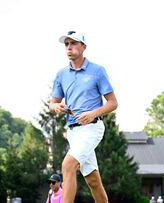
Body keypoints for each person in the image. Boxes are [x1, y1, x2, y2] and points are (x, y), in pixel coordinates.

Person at [49, 31, 118, 203]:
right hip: (73, 132)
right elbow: (52, 103)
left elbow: (113, 103)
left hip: (92, 128)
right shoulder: (61, 74)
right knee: (92, 181)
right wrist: (57, 106)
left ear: (84, 47)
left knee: (67, 165)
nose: (69, 47)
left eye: (73, 43)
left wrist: (93, 113)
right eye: (66, 44)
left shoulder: (97, 71)